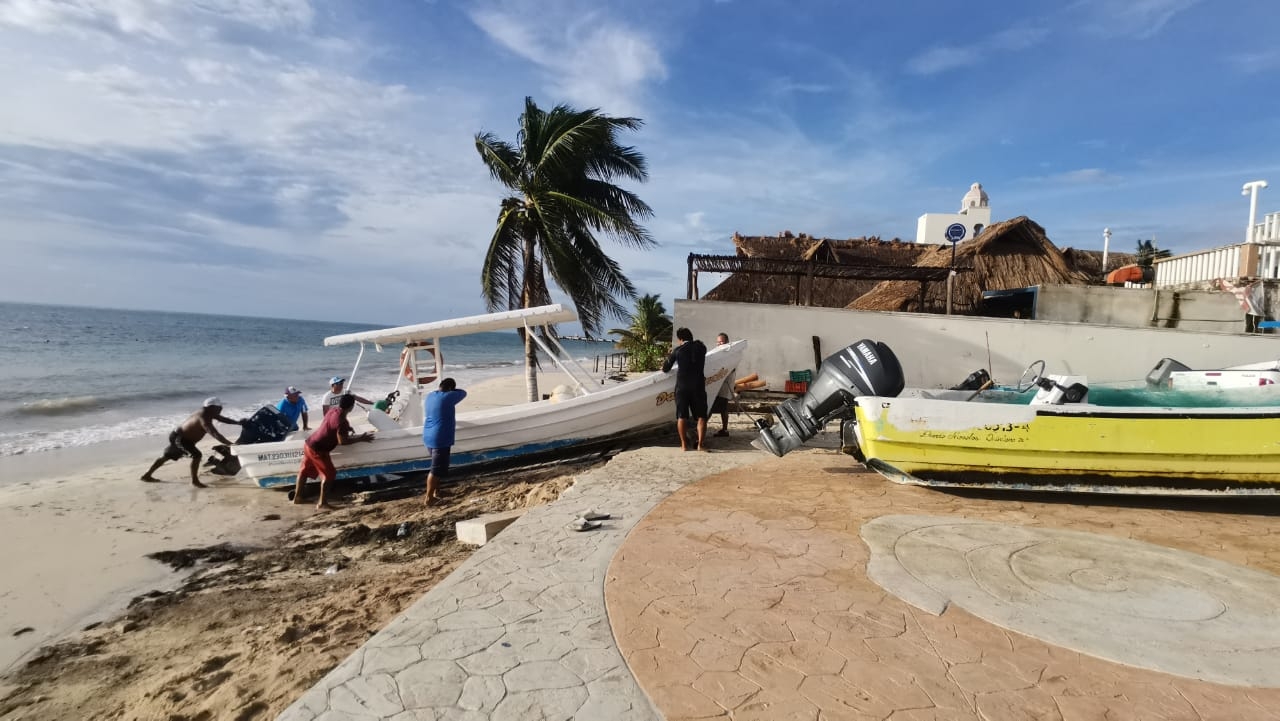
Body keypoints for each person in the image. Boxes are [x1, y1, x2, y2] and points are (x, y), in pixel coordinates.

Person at [293, 393, 374, 510]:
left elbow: (330, 424)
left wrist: (347, 428)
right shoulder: (342, 421)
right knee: (329, 474)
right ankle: (322, 503)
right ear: (351, 407)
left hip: (309, 444)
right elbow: (343, 442)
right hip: (318, 449)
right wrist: (361, 438)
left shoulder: (333, 410)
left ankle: (298, 497)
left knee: (304, 471)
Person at [141, 397, 245, 487]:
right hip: (181, 439)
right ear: (212, 407)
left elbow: (222, 419)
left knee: (167, 455)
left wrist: (238, 423)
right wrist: (230, 444)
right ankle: (195, 482)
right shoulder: (203, 417)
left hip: (181, 437)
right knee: (196, 455)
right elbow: (214, 433)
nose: (221, 408)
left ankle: (147, 475)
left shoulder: (208, 412)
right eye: (219, 407)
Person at [422, 377, 467, 506]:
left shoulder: (431, 395)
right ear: (450, 390)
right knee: (435, 470)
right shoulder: (448, 397)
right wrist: (452, 390)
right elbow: (463, 392)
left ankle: (437, 492)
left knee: (439, 468)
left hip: (428, 435)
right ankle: (429, 498)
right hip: (439, 437)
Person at [662, 327, 708, 451]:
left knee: (682, 416)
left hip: (682, 387)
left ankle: (683, 445)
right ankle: (700, 445)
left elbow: (665, 368)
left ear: (680, 339)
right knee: (701, 416)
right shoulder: (702, 348)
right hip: (698, 385)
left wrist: (670, 354)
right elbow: (699, 348)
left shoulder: (678, 350)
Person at [708, 333, 732, 437]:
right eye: (717, 342)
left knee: (721, 407)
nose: (719, 344)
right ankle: (724, 429)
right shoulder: (718, 353)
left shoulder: (730, 353)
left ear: (727, 342)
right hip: (716, 383)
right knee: (715, 407)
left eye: (721, 342)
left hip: (725, 383)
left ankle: (725, 429)